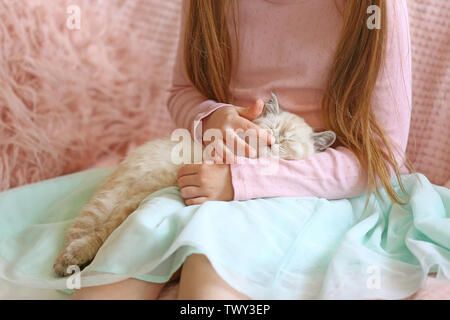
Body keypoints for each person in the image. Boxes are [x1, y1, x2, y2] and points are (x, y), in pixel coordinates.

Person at [71, 0, 412, 299]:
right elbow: (183, 91)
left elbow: (382, 157)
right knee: (118, 269)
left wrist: (242, 182)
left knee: (208, 283)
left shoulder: (375, 8)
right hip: (214, 169)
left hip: (316, 187)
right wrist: (213, 117)